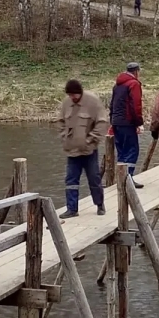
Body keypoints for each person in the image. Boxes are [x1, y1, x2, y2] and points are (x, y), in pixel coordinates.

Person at [57, 79, 107, 219]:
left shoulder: (93, 102)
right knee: (71, 180)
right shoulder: (66, 103)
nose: (72, 98)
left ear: (80, 92)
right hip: (71, 151)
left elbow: (102, 123)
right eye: (70, 95)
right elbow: (60, 121)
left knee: (94, 179)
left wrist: (90, 140)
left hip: (89, 150)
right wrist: (64, 136)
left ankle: (99, 204)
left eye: (74, 95)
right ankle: (71, 209)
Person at [110, 62, 145, 189]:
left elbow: (112, 104)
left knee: (122, 152)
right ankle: (127, 179)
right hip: (127, 122)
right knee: (132, 150)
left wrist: (112, 121)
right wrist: (139, 123)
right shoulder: (134, 84)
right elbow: (136, 106)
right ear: (136, 72)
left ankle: (121, 180)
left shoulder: (117, 85)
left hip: (116, 122)